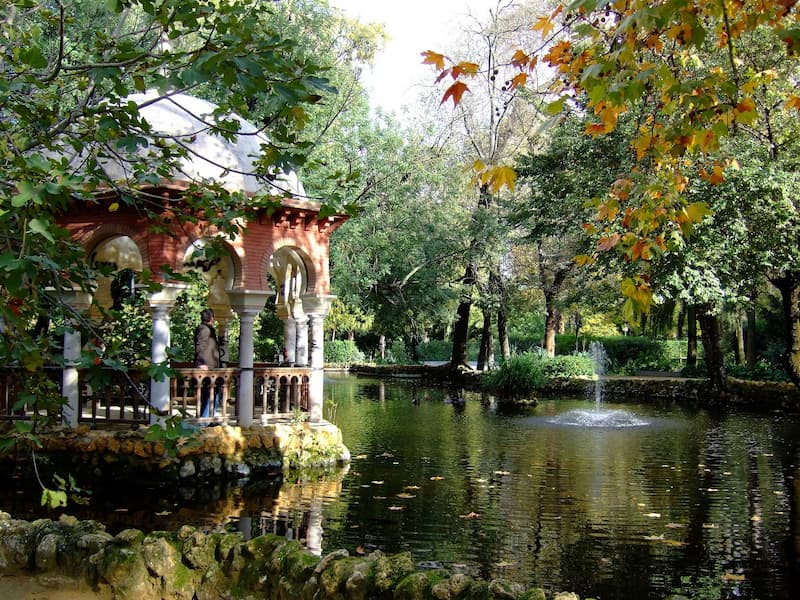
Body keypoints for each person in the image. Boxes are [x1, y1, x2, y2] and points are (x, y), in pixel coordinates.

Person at [194, 308, 220, 419]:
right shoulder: (204, 330)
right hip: (207, 367)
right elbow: (200, 346)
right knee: (208, 394)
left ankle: (209, 417)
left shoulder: (209, 330)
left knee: (214, 393)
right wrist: (200, 363)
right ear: (212, 318)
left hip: (212, 367)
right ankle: (204, 419)